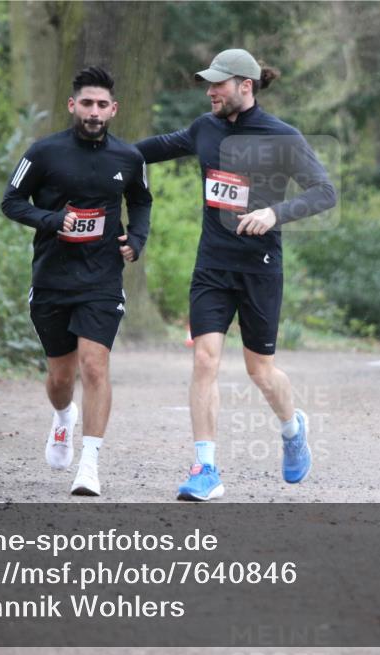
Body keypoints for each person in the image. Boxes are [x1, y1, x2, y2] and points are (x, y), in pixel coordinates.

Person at [136, 49, 337, 501]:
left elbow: (325, 192)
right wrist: (92, 152)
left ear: (245, 86)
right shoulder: (204, 129)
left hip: (259, 269)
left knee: (260, 371)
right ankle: (205, 469)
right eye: (209, 83)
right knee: (205, 360)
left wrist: (274, 212)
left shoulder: (283, 137)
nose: (210, 91)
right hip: (212, 264)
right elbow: (149, 150)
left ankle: (292, 429)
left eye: (219, 84)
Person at [1, 66, 152, 497]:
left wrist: (136, 240)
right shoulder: (43, 153)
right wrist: (52, 220)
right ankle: (64, 416)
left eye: (102, 105)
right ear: (73, 105)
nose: (94, 112)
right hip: (53, 277)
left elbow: (141, 201)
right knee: (61, 378)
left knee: (94, 365)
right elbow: (11, 201)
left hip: (102, 277)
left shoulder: (129, 158)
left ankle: (90, 464)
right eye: (87, 103)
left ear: (114, 109)